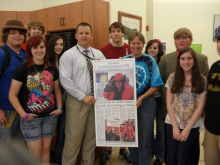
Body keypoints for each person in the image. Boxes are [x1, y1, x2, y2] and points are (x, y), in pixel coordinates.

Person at [159, 27, 209, 165]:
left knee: (183, 156)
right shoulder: (172, 77)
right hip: (173, 120)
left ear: (194, 60)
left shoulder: (201, 79)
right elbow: (169, 101)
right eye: (182, 59)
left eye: (189, 59)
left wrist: (186, 129)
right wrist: (175, 126)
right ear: (178, 61)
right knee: (170, 158)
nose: (186, 62)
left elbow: (201, 104)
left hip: (191, 123)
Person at [9, 35, 62, 163]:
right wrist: (23, 114)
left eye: (42, 47)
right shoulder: (23, 69)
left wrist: (59, 108)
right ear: (30, 50)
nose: (39, 50)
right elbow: (12, 95)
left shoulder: (52, 69)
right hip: (31, 118)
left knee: (46, 149)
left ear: (46, 48)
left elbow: (57, 91)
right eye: (35, 47)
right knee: (35, 154)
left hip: (50, 116)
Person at [59, 22, 105, 165]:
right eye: (81, 33)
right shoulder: (68, 55)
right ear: (76, 36)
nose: (84, 36)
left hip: (96, 102)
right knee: (72, 141)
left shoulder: (98, 54)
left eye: (87, 33)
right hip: (77, 101)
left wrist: (101, 68)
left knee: (91, 141)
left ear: (92, 35)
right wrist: (83, 96)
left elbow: (106, 78)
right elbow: (65, 80)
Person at [124, 31, 163, 165]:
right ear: (129, 44)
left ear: (143, 44)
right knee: (130, 136)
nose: (136, 46)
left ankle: (144, 162)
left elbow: (156, 85)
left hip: (146, 102)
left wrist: (142, 97)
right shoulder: (124, 60)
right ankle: (134, 161)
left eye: (139, 43)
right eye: (133, 43)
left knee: (144, 137)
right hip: (128, 103)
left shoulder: (149, 60)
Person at [99, 21, 132, 165]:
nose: (116, 33)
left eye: (119, 31)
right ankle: (107, 149)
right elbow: (100, 74)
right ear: (110, 33)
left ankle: (123, 149)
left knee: (123, 121)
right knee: (109, 122)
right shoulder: (103, 50)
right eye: (113, 31)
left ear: (123, 33)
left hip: (125, 93)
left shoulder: (129, 49)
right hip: (111, 93)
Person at [0, 19, 27, 143]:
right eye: (13, 32)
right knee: (5, 152)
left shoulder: (25, 54)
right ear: (6, 35)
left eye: (21, 33)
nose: (17, 36)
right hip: (6, 112)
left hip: (23, 110)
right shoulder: (2, 53)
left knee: (20, 152)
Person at [145, 39, 164, 165]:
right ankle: (150, 152)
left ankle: (160, 155)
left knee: (161, 129)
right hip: (148, 99)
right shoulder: (143, 62)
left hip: (161, 99)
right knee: (149, 129)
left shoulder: (163, 63)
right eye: (150, 47)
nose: (152, 50)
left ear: (159, 50)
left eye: (155, 48)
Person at [48, 34, 66, 165]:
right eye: (56, 44)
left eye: (61, 44)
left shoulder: (65, 60)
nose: (59, 47)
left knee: (61, 132)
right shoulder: (45, 61)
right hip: (48, 103)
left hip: (64, 101)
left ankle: (57, 161)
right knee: (47, 134)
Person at [204, 34, 220, 165]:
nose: (219, 44)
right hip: (211, 127)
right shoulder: (214, 66)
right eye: (219, 41)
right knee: (210, 161)